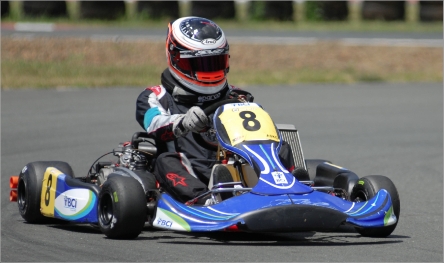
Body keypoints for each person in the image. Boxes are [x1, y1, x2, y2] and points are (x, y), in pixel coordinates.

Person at [136, 16, 297, 205]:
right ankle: (204, 201)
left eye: (215, 62)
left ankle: (288, 188)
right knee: (166, 160)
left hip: (234, 166)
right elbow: (153, 123)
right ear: (176, 58)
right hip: (190, 171)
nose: (209, 70)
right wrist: (183, 122)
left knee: (280, 147)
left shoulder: (237, 95)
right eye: (201, 64)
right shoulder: (154, 96)